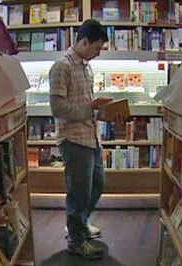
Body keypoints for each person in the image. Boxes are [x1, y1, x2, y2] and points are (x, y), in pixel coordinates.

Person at [49, 19, 111, 260]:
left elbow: (84, 105)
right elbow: (57, 107)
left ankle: (80, 224)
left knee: (97, 185)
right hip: (73, 140)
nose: (97, 53)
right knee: (78, 193)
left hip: (90, 137)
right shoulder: (61, 67)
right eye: (96, 48)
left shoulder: (85, 66)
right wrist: (90, 107)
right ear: (84, 42)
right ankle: (75, 241)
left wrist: (100, 109)